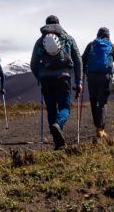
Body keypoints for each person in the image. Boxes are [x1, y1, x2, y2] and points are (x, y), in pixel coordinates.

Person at [30, 15, 82, 149]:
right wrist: (78, 81)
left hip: (46, 79)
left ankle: (58, 142)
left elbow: (33, 63)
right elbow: (78, 61)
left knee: (51, 109)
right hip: (63, 78)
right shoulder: (68, 39)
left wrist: (39, 77)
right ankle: (58, 125)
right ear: (59, 23)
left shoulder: (40, 41)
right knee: (64, 107)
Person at [82, 27, 114, 142]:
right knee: (102, 102)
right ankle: (100, 129)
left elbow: (83, 60)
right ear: (108, 35)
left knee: (93, 100)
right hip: (105, 77)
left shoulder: (91, 45)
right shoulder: (112, 46)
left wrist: (86, 72)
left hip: (92, 77)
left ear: (97, 35)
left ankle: (98, 127)